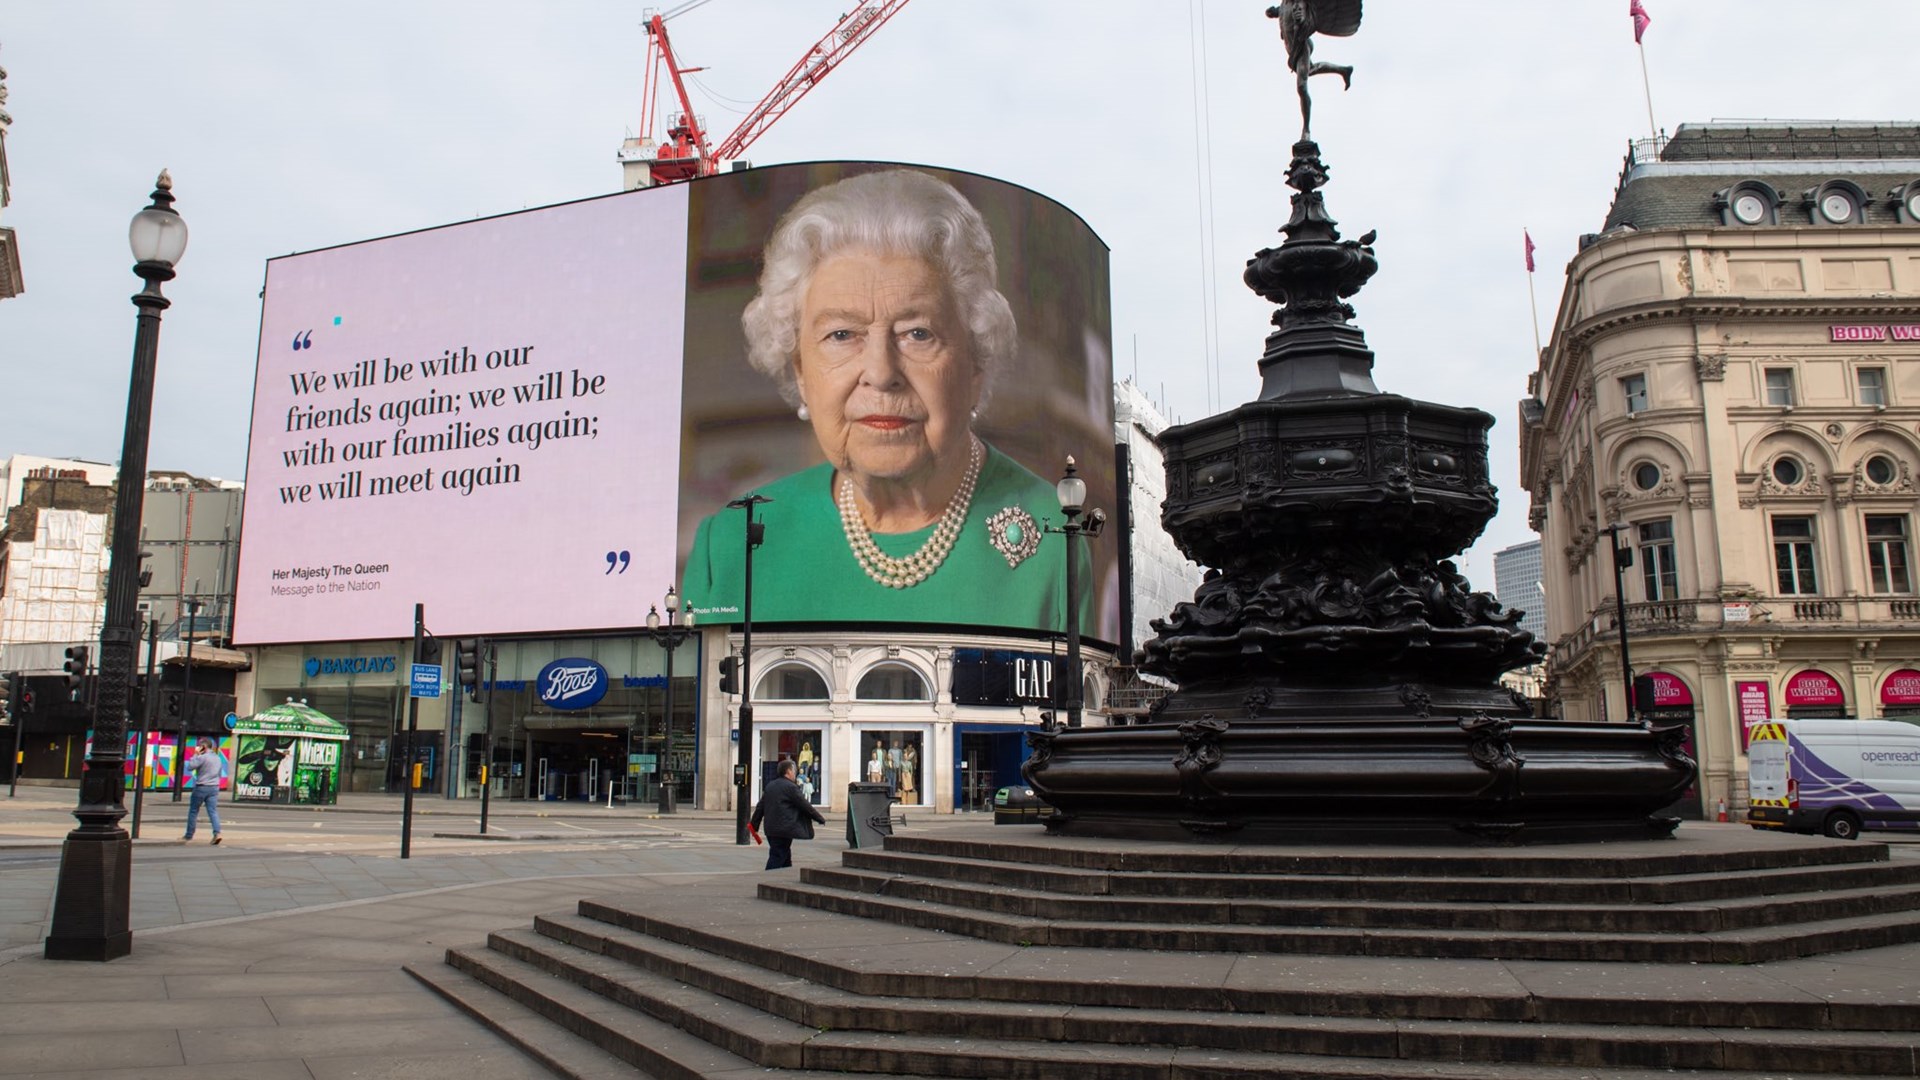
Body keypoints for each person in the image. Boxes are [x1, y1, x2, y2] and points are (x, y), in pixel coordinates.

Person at [683, 169, 1092, 632]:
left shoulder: (1056, 535)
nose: (880, 373)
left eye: (918, 333)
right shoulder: (732, 542)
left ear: (975, 362)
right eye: (841, 334)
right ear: (800, 371)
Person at [750, 758, 828, 870]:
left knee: (785, 855)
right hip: (784, 829)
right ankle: (768, 879)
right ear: (788, 771)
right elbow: (804, 805)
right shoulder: (790, 787)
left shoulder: (770, 786)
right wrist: (819, 818)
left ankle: (786, 875)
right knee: (777, 856)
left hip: (771, 829)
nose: (795, 773)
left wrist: (754, 825)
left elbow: (760, 807)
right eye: (793, 770)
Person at [183, 737, 225, 846]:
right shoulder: (218, 758)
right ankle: (217, 833)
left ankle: (189, 834)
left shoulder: (202, 757)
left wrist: (196, 754)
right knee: (212, 811)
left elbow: (190, 767)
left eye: (199, 746)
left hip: (202, 786)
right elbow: (219, 774)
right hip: (214, 787)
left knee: (193, 811)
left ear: (203, 747)